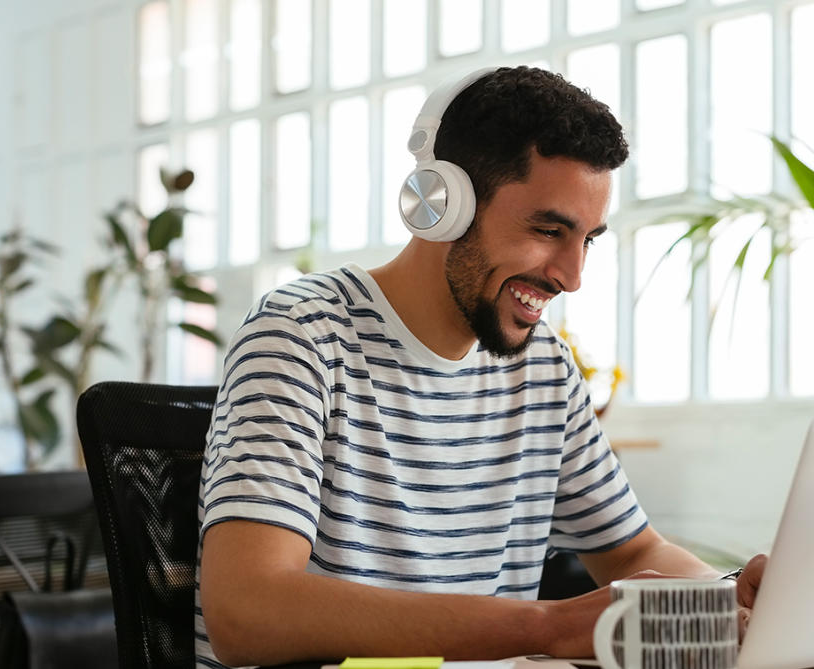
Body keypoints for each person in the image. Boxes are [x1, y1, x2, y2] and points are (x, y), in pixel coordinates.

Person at [196, 65, 767, 668]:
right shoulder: (303, 335)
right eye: (549, 229)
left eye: (588, 239)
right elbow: (248, 611)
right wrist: (546, 627)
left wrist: (730, 600)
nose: (572, 276)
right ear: (441, 204)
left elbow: (631, 553)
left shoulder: (541, 366)